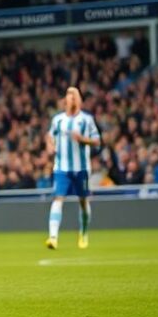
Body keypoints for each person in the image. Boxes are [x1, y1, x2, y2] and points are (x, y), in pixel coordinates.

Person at [45, 87, 101, 250]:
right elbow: (50, 136)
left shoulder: (86, 120)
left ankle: (83, 233)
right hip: (61, 168)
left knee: (83, 201)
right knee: (58, 198)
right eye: (68, 97)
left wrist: (82, 139)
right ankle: (53, 237)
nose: (70, 100)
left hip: (81, 168)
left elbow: (97, 140)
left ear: (78, 100)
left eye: (73, 97)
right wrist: (50, 146)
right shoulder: (58, 120)